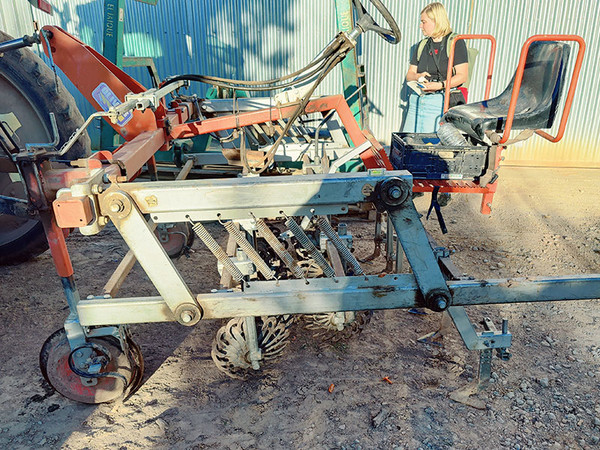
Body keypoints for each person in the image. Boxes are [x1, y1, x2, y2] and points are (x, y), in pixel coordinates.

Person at [402, 2, 468, 133]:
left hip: (440, 101)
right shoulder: (422, 45)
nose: (420, 26)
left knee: (429, 145)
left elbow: (462, 76)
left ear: (436, 21)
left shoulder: (456, 42)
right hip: (417, 100)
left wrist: (440, 85)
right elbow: (410, 74)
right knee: (407, 142)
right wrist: (417, 76)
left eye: (424, 22)